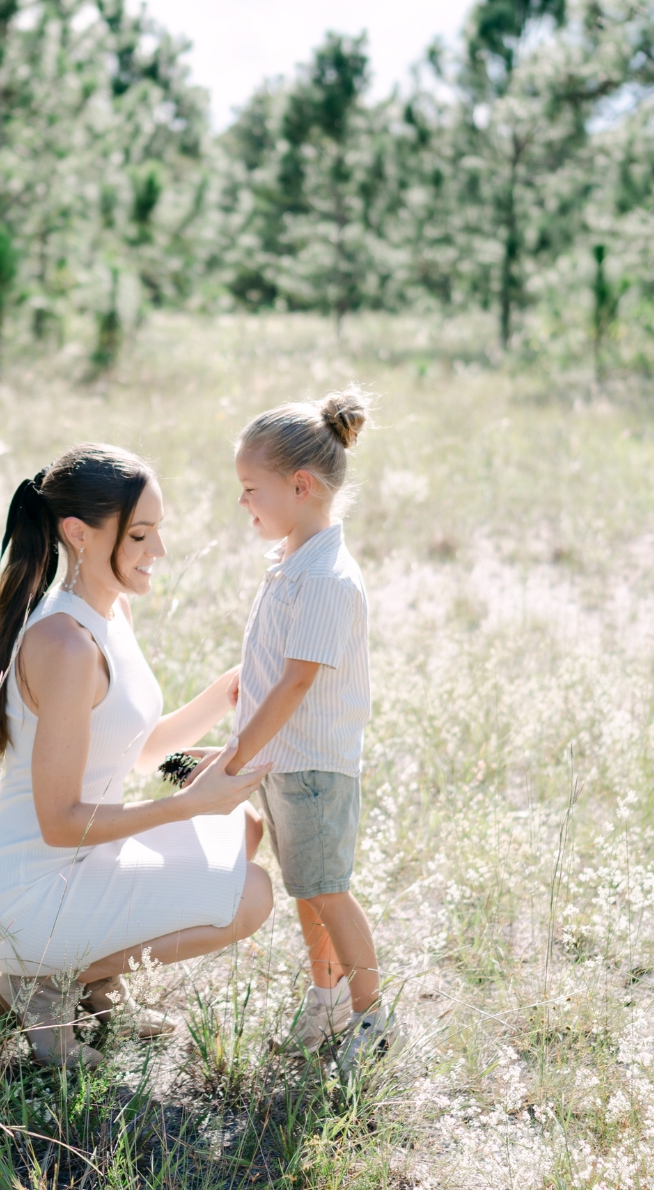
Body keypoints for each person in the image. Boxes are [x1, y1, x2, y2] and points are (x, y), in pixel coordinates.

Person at [0, 443, 272, 1069]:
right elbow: (61, 821)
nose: (159, 553)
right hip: (27, 890)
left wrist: (227, 691)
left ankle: (91, 985)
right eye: (139, 536)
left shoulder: (110, 611)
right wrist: (184, 807)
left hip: (78, 860)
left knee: (245, 828)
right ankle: (43, 984)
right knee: (251, 895)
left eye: (158, 532)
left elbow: (136, 747)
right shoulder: (65, 644)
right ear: (77, 533)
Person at [224, 388, 399, 1072]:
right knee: (306, 886)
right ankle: (325, 998)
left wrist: (239, 750)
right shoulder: (292, 566)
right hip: (286, 764)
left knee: (328, 887)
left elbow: (297, 681)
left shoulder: (326, 577)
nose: (244, 504)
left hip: (315, 767)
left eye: (250, 489)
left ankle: (371, 1018)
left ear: (300, 486)